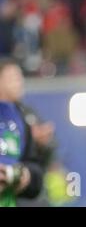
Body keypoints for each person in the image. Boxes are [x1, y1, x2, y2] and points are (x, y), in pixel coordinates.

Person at [0, 58, 55, 206]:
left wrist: (26, 175)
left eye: (20, 78)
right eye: (12, 78)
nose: (19, 83)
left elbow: (36, 167)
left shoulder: (24, 116)